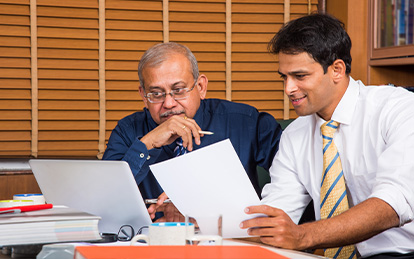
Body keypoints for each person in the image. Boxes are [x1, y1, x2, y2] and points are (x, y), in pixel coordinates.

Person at [240, 13, 414, 259]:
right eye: (284, 77)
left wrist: (303, 236)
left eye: (300, 76)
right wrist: (206, 220)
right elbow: (277, 211)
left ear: (336, 70)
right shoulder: (295, 135)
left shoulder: (400, 109)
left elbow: (393, 204)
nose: (288, 89)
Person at [103, 42, 282, 221]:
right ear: (144, 95)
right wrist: (147, 144)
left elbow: (292, 185)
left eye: (178, 90)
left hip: (228, 237)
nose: (169, 103)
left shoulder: (245, 122)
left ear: (201, 87)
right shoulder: (127, 130)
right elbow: (104, 201)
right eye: (156, 94)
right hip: (153, 240)